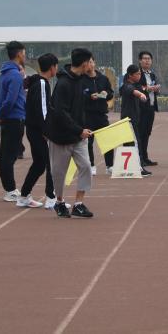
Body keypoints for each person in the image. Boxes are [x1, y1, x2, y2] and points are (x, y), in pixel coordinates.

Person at [44, 48, 96, 218]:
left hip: (78, 137)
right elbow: (60, 113)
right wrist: (79, 130)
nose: (92, 65)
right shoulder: (63, 84)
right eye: (90, 62)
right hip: (60, 137)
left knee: (86, 166)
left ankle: (78, 204)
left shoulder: (82, 80)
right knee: (59, 173)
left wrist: (82, 128)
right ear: (84, 63)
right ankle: (59, 202)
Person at [18, 53, 58, 209]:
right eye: (56, 66)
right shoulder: (41, 83)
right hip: (38, 130)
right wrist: (46, 130)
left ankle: (24, 196)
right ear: (52, 67)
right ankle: (51, 199)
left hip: (33, 129)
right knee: (50, 163)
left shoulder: (38, 82)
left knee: (40, 164)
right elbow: (43, 110)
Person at [0, 41, 28, 202]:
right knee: (9, 155)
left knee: (7, 154)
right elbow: (10, 100)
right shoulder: (15, 75)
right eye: (24, 53)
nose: (25, 56)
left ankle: (10, 188)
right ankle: (10, 190)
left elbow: (2, 98)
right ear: (19, 54)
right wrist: (0, 114)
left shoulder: (4, 74)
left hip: (9, 118)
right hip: (14, 118)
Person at [118, 65, 152, 176]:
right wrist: (141, 94)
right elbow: (133, 91)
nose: (139, 75)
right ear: (130, 75)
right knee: (136, 143)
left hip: (133, 120)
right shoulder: (127, 86)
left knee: (129, 143)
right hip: (129, 120)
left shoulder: (134, 85)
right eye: (137, 74)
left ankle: (130, 167)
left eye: (140, 73)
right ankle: (139, 168)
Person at [83, 58, 115, 175]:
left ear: (94, 63)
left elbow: (110, 93)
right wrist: (89, 97)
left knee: (108, 140)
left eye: (91, 62)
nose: (89, 64)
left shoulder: (103, 78)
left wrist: (106, 94)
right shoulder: (81, 80)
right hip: (87, 115)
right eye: (87, 62)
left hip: (101, 115)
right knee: (88, 142)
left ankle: (109, 166)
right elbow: (79, 96)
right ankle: (91, 165)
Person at [136, 50, 160, 166]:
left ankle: (145, 157)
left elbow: (153, 89)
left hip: (151, 107)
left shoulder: (152, 74)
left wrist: (156, 89)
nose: (147, 61)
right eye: (144, 59)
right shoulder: (137, 73)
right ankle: (140, 158)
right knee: (140, 133)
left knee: (147, 133)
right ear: (140, 61)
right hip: (141, 108)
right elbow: (136, 86)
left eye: (149, 59)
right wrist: (147, 88)